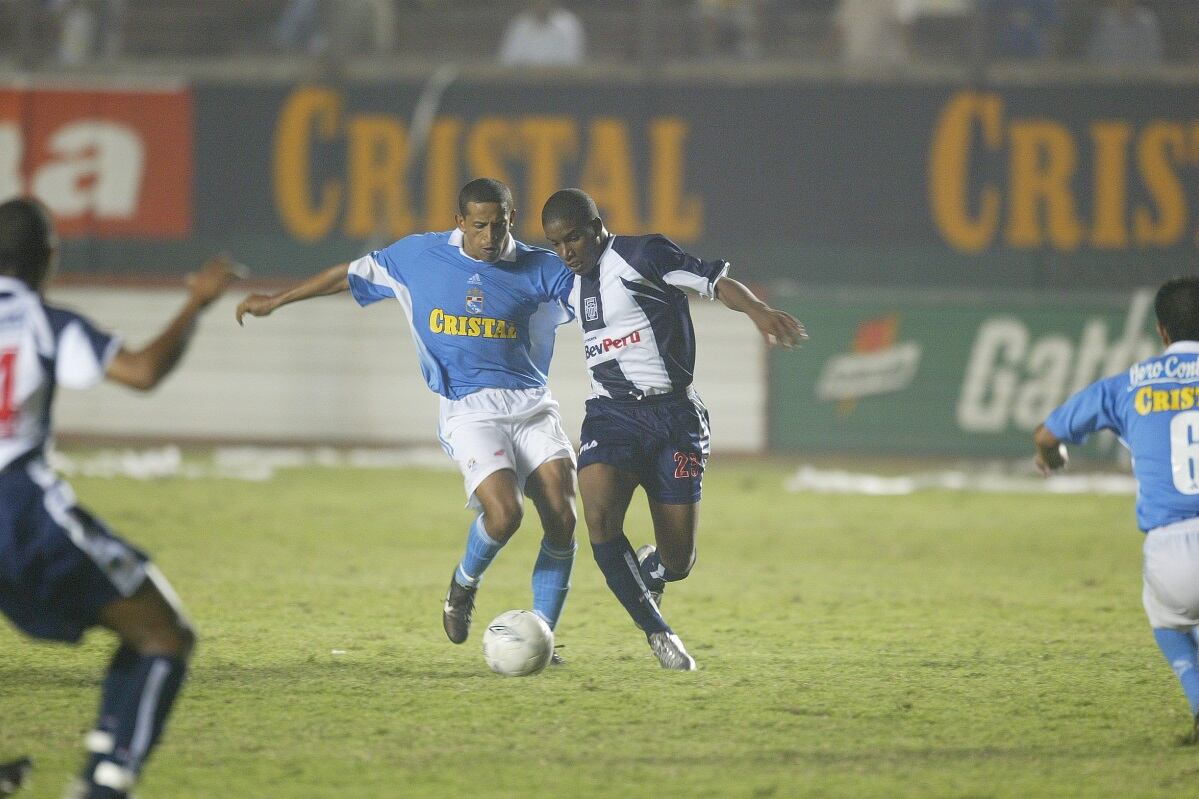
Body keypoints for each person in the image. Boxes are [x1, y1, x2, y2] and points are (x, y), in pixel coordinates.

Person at [236, 178, 579, 655]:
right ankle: (463, 584)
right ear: (459, 222)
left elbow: (600, 302)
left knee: (562, 517)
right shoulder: (418, 258)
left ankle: (542, 635)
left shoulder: (542, 267)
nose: (488, 236)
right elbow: (346, 276)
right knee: (505, 516)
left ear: (511, 221)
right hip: (469, 408)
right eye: (478, 225)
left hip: (532, 403)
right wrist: (276, 300)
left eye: (498, 226)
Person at [0, 197, 239, 798]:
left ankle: (101, 759)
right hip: (18, 513)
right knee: (164, 637)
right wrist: (196, 302)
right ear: (50, 258)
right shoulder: (44, 323)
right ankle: (104, 786)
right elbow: (140, 372)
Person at [540, 188, 806, 670]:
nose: (565, 252)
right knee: (598, 518)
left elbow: (714, 281)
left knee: (679, 560)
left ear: (597, 226)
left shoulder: (644, 254)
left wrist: (758, 312)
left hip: (675, 419)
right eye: (555, 244)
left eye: (573, 239)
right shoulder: (564, 281)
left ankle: (655, 570)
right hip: (612, 415)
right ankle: (658, 633)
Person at [1035, 276, 1199, 741]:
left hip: (1171, 550)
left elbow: (1047, 435)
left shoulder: (1129, 384)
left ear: (1162, 332)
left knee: (1169, 616)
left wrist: (1051, 458)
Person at [497, 1, 585, 66]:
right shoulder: (519, 25)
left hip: (563, 85)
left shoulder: (568, 24)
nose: (541, 3)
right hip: (523, 84)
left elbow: (574, 60)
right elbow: (508, 61)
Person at [1086, 0, 1163, 67]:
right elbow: (1094, 57)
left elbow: (1154, 57)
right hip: (1107, 79)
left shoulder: (1146, 22)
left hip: (1142, 79)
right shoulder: (1104, 21)